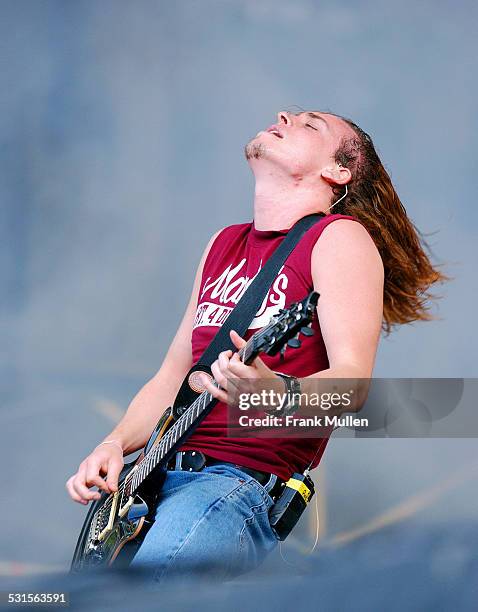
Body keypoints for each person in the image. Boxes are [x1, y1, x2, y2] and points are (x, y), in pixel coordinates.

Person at [66, 109, 447, 582]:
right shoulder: (223, 243)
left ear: (338, 172)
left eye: (311, 125)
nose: (285, 115)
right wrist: (114, 442)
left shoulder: (339, 239)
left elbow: (354, 384)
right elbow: (172, 376)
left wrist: (273, 391)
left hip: (228, 487)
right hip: (151, 481)